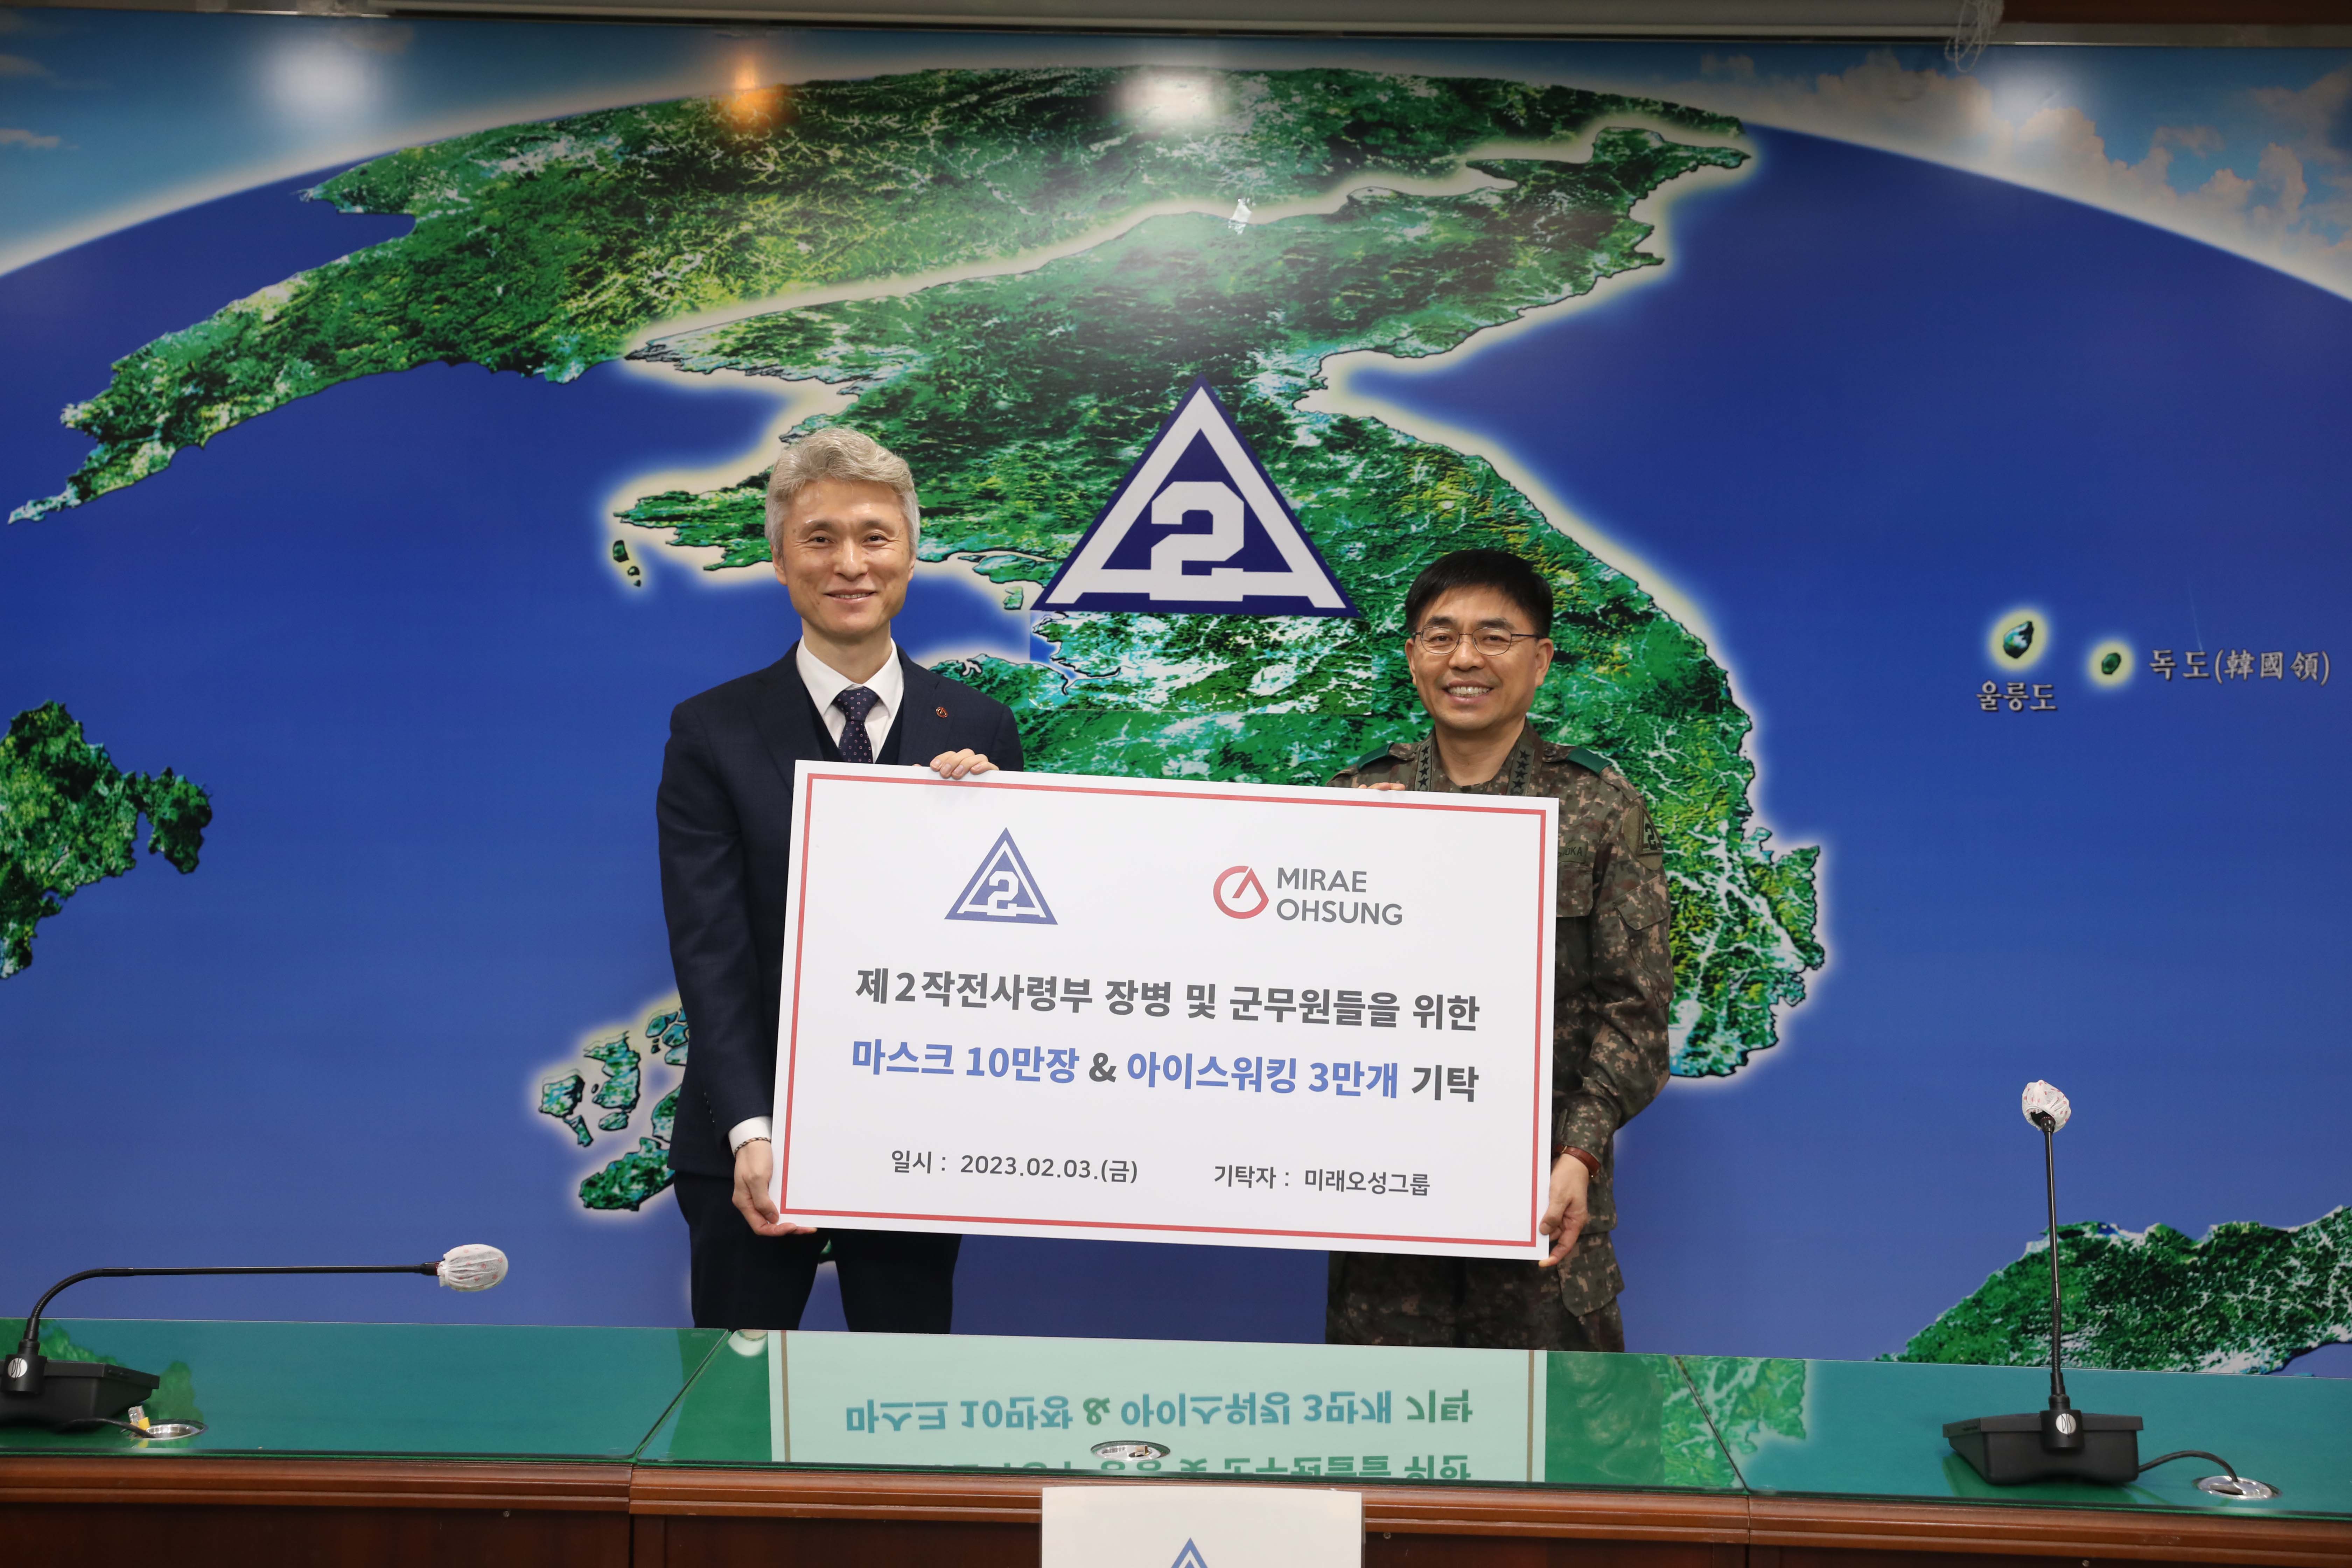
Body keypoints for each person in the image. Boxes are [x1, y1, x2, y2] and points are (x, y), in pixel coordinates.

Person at [657, 426, 1021, 1332]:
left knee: (902, 1398)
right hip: (751, 1141)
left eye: (874, 537)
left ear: (910, 555)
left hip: (915, 1137)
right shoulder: (712, 731)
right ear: (782, 561)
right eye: (820, 539)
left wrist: (987, 819)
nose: (850, 564)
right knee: (735, 1399)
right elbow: (711, 951)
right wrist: (753, 1129)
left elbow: (1003, 952)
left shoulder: (979, 727)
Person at [1326, 548, 1672, 1352]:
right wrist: (1350, 859)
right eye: (1441, 636)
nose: (1465, 658)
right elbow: (1295, 993)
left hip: (1545, 1213)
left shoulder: (1600, 808)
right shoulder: (1354, 803)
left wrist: (1578, 1152)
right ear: (1413, 654)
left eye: (1493, 636)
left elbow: (1636, 1015)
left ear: (1540, 659)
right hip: (1388, 1222)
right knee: (1391, 1432)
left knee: (1557, 1434)